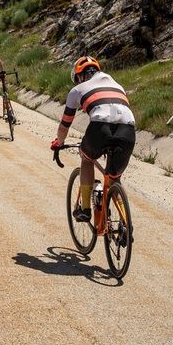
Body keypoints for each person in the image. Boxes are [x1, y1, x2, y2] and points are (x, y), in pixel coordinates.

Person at [50, 56, 136, 222]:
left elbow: (64, 126)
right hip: (128, 129)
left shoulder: (77, 90)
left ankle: (86, 210)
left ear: (80, 76)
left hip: (100, 128)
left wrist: (59, 143)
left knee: (87, 158)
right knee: (114, 178)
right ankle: (125, 224)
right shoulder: (117, 85)